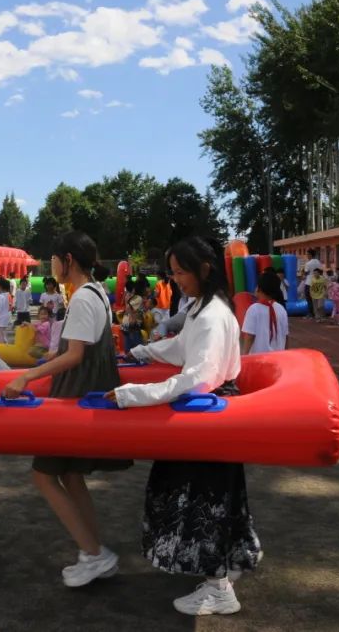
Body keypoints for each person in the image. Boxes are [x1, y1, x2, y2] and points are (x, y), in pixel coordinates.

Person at [106, 236, 260, 616]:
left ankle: (218, 587)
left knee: (200, 498)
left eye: (180, 273)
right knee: (216, 494)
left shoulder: (210, 314)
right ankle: (228, 564)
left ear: (204, 270)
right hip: (208, 411)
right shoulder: (202, 308)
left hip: (206, 413)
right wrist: (144, 351)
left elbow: (197, 378)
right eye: (172, 273)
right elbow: (180, 348)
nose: (176, 280)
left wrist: (132, 395)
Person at [2, 231, 130, 588]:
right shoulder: (96, 295)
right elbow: (76, 349)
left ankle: (94, 553)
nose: (52, 265)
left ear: (68, 260)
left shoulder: (83, 299)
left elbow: (76, 355)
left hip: (74, 398)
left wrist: (27, 376)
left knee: (43, 475)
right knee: (71, 477)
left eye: (55, 259)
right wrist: (48, 360)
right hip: (84, 395)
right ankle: (93, 551)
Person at [242, 271, 290, 355]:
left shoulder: (254, 309)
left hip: (259, 360)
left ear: (259, 289)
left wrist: (244, 356)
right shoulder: (281, 309)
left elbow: (249, 337)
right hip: (277, 359)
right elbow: (286, 336)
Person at [303, 248, 323, 318]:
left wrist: (303, 273)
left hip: (309, 282)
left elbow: (306, 272)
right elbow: (321, 271)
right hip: (317, 282)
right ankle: (317, 313)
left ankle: (310, 313)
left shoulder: (308, 263)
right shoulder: (318, 262)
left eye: (307, 254)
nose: (307, 256)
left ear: (310, 255)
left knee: (309, 298)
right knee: (316, 298)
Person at [0, 277, 12, 344]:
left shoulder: (0, 297)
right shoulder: (9, 295)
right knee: (4, 335)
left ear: (0, 286)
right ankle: (6, 348)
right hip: (7, 318)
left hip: (1, 319)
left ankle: (2, 351)